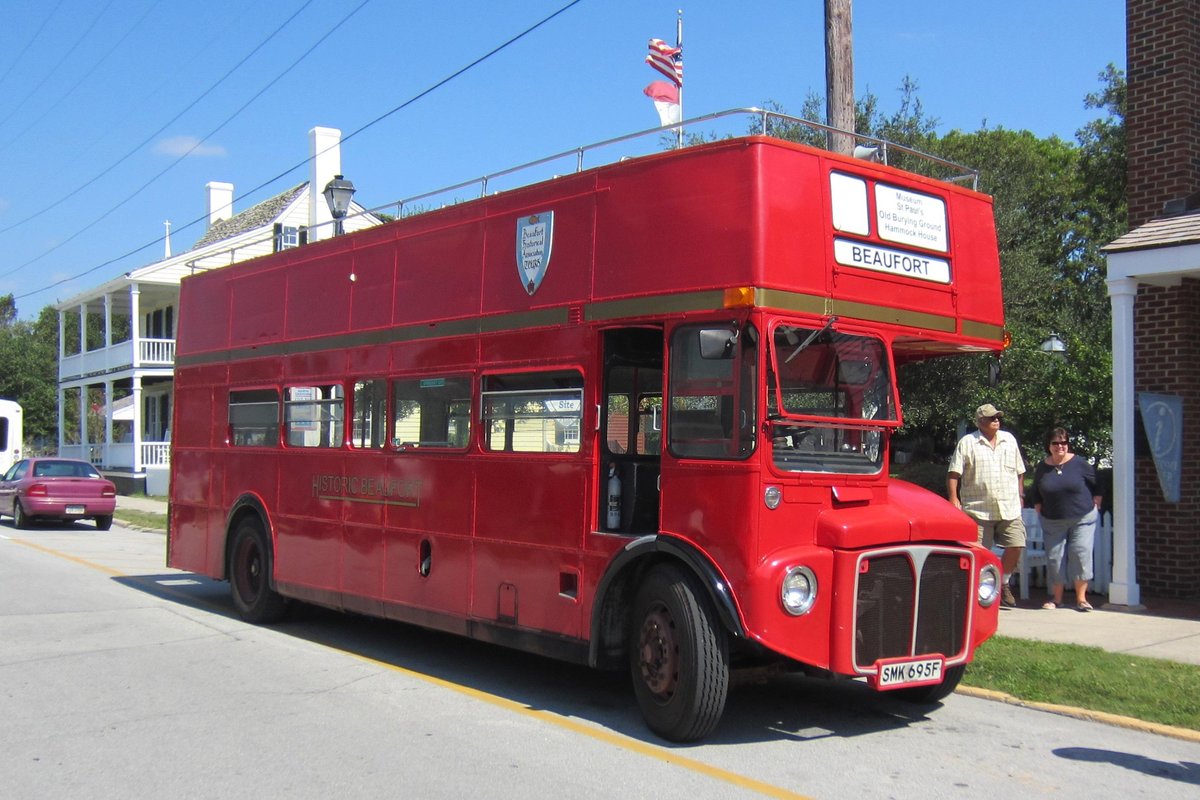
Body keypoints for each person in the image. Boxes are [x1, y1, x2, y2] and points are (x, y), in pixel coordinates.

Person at [947, 403, 1026, 608]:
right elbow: (954, 473)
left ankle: (1004, 581)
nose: (996, 421)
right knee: (980, 553)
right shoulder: (968, 442)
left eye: (998, 417)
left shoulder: (1009, 440)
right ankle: (980, 595)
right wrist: (954, 498)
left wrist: (1020, 494)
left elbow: (1019, 471)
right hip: (978, 509)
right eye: (992, 418)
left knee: (1017, 545)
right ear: (980, 422)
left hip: (1009, 506)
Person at [1028, 427, 1101, 611]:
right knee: (1055, 558)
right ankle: (1057, 599)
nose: (1060, 446)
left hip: (1082, 517)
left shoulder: (1080, 463)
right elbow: (1035, 489)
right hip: (1052, 520)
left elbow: (1097, 484)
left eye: (1063, 443)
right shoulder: (1043, 467)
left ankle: (1081, 599)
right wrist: (1037, 504)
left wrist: (1097, 500)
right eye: (1055, 443)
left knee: (1080, 552)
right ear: (1049, 446)